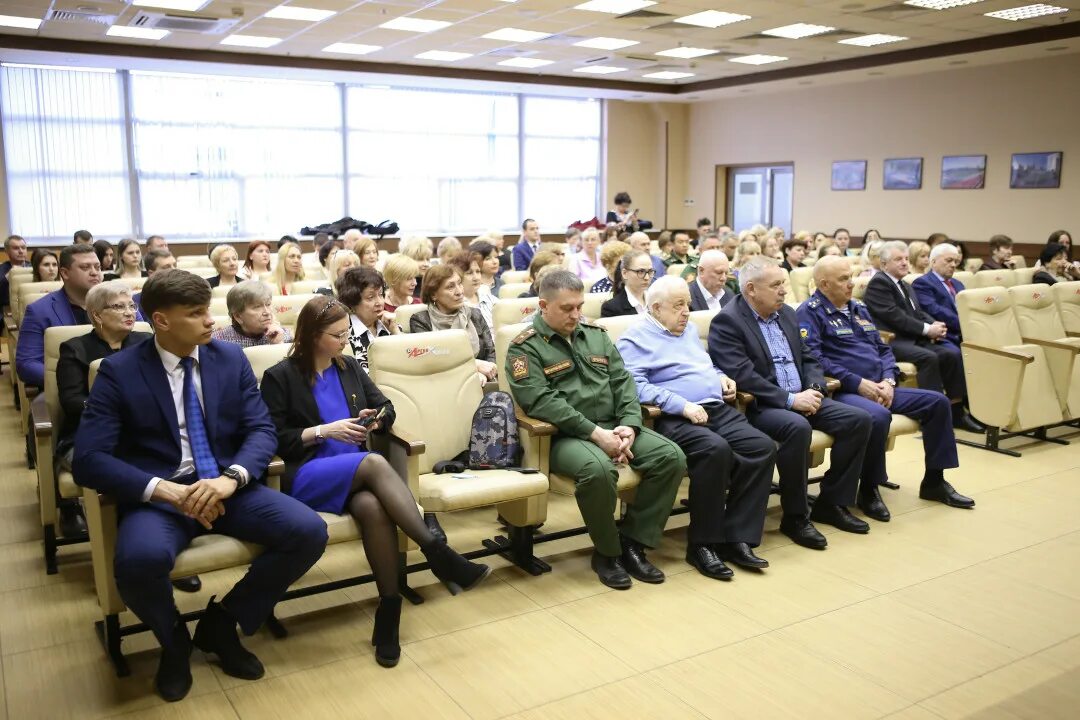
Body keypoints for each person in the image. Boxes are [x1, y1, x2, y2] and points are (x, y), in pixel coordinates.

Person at [72, 270, 330, 703]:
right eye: (195, 314)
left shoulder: (228, 360)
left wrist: (230, 480)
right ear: (161, 320)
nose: (210, 321)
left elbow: (262, 431)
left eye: (207, 310)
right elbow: (89, 459)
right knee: (138, 562)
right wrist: (164, 490)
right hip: (163, 497)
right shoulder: (119, 372)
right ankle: (173, 641)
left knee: (307, 531)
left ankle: (222, 623)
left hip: (228, 485)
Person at [259, 296, 489, 666]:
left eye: (347, 332)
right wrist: (322, 431)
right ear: (313, 336)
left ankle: (389, 611)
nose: (345, 340)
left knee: (373, 508)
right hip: (306, 472)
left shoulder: (348, 367)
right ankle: (436, 550)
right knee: (375, 462)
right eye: (336, 335)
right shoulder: (280, 377)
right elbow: (272, 438)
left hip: (352, 469)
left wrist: (377, 418)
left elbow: (386, 405)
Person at [505, 270, 686, 589]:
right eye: (567, 308)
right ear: (544, 305)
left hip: (614, 427)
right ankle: (607, 552)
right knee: (599, 470)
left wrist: (630, 425)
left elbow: (622, 382)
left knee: (670, 457)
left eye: (580, 306)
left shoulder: (596, 334)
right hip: (563, 436)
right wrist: (596, 434)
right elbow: (542, 403)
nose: (577, 314)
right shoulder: (524, 348)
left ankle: (633, 541)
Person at [708, 256, 873, 549]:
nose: (784, 290)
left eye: (783, 283)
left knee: (858, 420)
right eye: (775, 285)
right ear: (751, 289)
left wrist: (813, 390)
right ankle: (796, 516)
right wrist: (790, 400)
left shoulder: (787, 313)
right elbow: (743, 375)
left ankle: (832, 502)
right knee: (796, 427)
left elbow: (809, 357)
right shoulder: (728, 321)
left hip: (802, 395)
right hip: (761, 406)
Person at [617, 277, 775, 578]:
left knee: (761, 447)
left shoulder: (686, 330)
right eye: (679, 306)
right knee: (714, 450)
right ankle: (703, 545)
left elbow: (702, 363)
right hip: (670, 417)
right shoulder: (635, 338)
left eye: (688, 304)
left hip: (714, 408)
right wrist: (681, 405)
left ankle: (737, 537)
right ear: (655, 308)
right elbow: (633, 386)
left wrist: (720, 376)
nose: (687, 312)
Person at [798, 256, 974, 517]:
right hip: (845, 391)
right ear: (824, 284)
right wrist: (858, 383)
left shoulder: (858, 309)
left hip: (881, 386)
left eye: (851, 277)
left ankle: (935, 481)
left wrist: (889, 380)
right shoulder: (809, 312)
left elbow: (883, 349)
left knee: (937, 402)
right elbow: (814, 358)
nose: (852, 284)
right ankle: (869, 489)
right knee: (878, 416)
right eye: (844, 279)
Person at [54, 281, 152, 538]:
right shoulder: (75, 348)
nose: (130, 312)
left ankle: (156, 538)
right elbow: (73, 401)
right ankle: (129, 541)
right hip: (87, 436)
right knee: (124, 469)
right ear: (97, 315)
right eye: (119, 307)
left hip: (144, 432)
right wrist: (119, 412)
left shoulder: (147, 342)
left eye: (131, 306)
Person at [866, 242, 983, 433]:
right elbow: (895, 316)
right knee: (929, 358)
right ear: (884, 264)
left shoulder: (904, 284)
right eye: (898, 259)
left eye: (905, 258)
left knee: (951, 354)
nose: (905, 263)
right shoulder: (879, 283)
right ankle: (932, 413)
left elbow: (917, 313)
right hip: (892, 341)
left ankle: (956, 411)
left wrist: (934, 324)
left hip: (912, 337)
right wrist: (927, 329)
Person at [16, 243, 102, 389]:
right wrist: (73, 380)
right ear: (65, 273)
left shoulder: (121, 303)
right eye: (85, 267)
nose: (95, 273)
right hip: (67, 391)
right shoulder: (39, 310)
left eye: (97, 267)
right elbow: (27, 364)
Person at [410, 263, 497, 384]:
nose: (459, 291)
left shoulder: (475, 315)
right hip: (442, 384)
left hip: (483, 382)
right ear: (434, 294)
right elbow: (432, 360)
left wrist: (486, 374)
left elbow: (491, 354)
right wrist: (474, 367)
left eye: (459, 283)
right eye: (450, 287)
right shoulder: (420, 320)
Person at [337, 267, 399, 372]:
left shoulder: (391, 326)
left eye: (380, 294)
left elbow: (411, 364)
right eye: (370, 298)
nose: (379, 302)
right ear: (352, 302)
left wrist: (396, 332)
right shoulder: (344, 335)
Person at [912, 243, 966, 348]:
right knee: (954, 353)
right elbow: (934, 310)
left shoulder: (958, 284)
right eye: (949, 260)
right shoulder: (922, 283)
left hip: (965, 332)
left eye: (955, 261)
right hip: (944, 334)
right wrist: (964, 323)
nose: (953, 265)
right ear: (933, 262)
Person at [211, 281, 292, 348]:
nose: (267, 312)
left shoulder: (284, 335)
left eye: (268, 304)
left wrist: (279, 345)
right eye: (257, 307)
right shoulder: (219, 341)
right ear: (238, 316)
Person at [450, 253, 497, 342]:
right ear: (457, 277)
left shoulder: (489, 298)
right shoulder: (456, 304)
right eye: (469, 273)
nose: (476, 278)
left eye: (478, 272)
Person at [600, 250, 654, 318]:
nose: (647, 277)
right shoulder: (611, 308)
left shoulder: (658, 301)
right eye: (640, 271)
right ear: (625, 273)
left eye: (650, 271)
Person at [132, 250, 177, 316]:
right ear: (152, 274)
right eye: (167, 267)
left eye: (174, 265)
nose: (174, 270)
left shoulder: (186, 295)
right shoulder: (136, 301)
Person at [1, 234, 30, 308]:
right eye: (16, 248)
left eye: (23, 248)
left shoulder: (34, 266)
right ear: (7, 251)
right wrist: (9, 275)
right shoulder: (2, 269)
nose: (21, 251)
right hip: (8, 308)